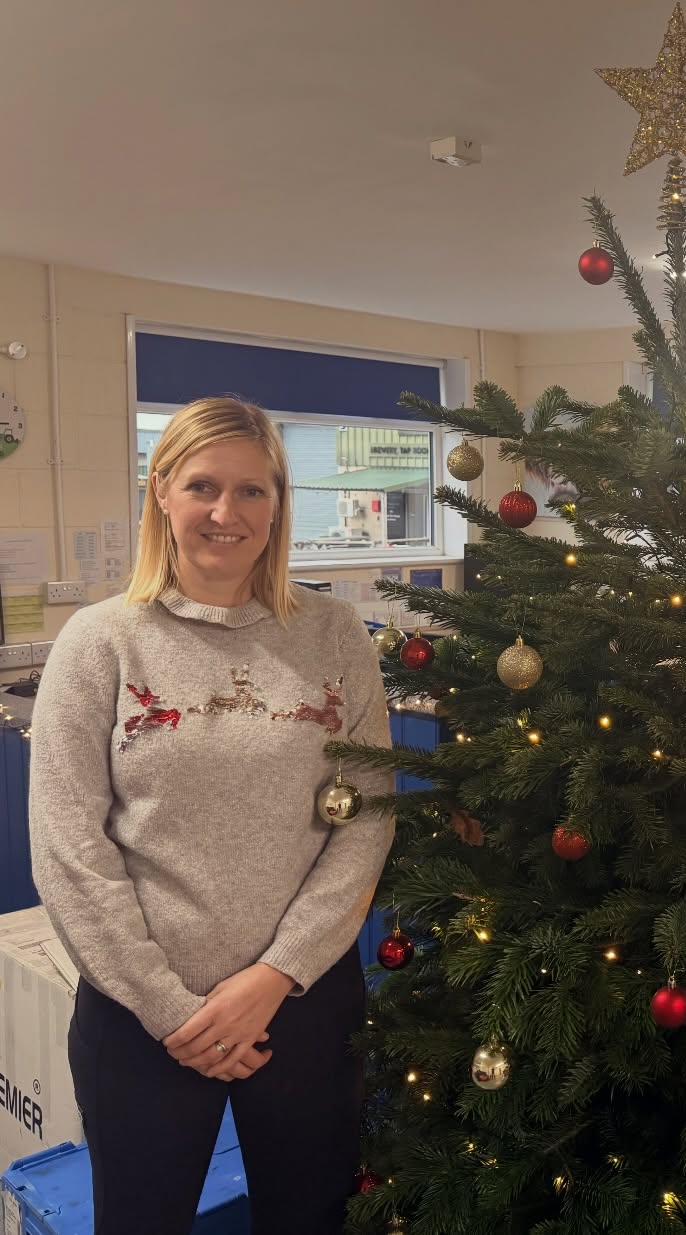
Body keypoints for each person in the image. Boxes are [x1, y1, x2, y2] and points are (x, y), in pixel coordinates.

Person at [28, 397, 395, 1234]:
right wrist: (171, 1009)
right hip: (142, 1016)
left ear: (278, 502)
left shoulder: (334, 633)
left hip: (302, 1000)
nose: (226, 512)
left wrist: (275, 975)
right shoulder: (99, 641)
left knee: (310, 1216)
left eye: (251, 490)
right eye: (202, 486)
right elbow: (69, 847)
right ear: (162, 491)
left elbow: (366, 815)